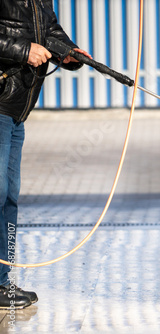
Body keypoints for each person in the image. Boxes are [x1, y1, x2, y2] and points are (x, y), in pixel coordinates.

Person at [0, 0, 91, 309]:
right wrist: (23, 51)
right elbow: (19, 39)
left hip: (16, 108)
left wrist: (69, 52)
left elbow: (49, 29)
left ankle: (2, 282)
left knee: (8, 197)